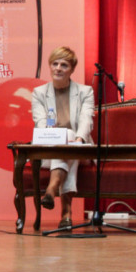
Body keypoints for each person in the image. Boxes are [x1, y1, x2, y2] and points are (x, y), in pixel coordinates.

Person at [31, 46, 94, 229]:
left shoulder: (85, 92)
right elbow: (40, 121)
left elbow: (86, 119)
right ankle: (65, 212)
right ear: (50, 67)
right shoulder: (39, 93)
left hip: (78, 146)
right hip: (48, 148)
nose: (58, 68)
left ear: (72, 69)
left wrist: (80, 138)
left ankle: (52, 189)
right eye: (55, 64)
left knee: (70, 138)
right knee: (65, 141)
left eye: (64, 65)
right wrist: (54, 138)